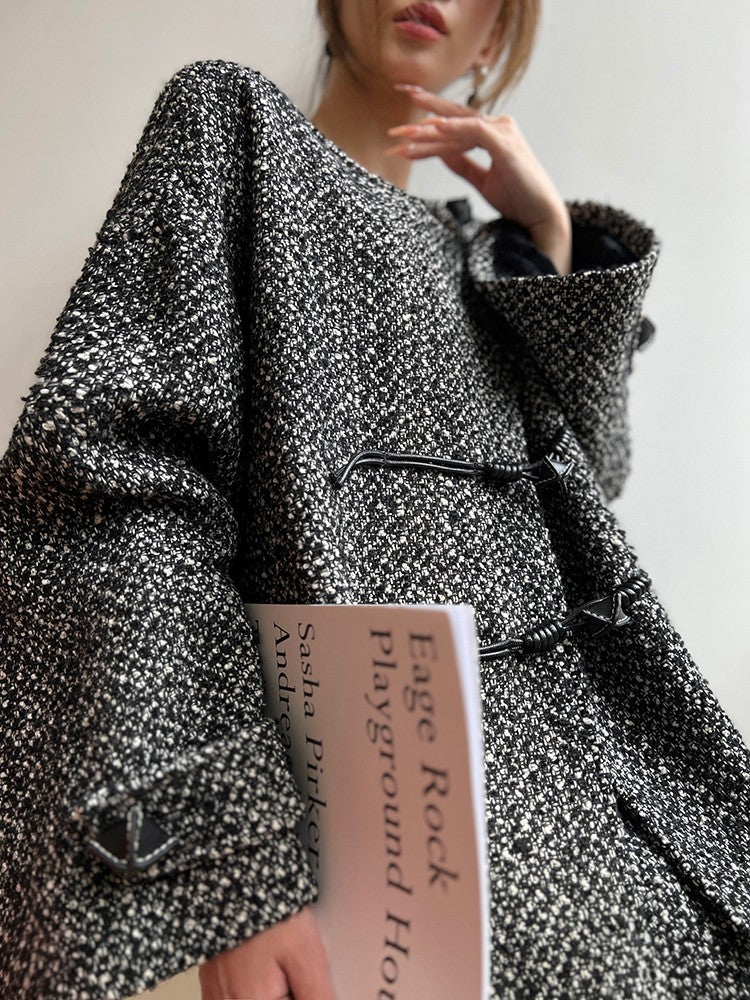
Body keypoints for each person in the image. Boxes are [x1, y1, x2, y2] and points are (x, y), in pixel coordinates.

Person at [2, 2, 750, 999]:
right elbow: (118, 491)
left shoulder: (494, 261)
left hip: (624, 792)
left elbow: (598, 482)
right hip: (399, 854)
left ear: (497, 37)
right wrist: (228, 866)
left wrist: (551, 240)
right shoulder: (237, 132)